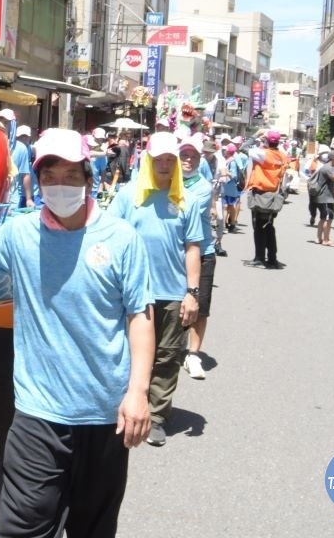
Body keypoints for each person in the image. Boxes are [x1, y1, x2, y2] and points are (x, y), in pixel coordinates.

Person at [0, 128, 153, 538]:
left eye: (72, 175)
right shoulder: (19, 234)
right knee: (20, 528)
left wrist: (138, 392)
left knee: (93, 528)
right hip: (39, 414)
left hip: (106, 415)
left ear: (90, 179)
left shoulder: (121, 238)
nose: (60, 185)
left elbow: (140, 316)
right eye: (50, 176)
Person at [109, 132, 202, 446]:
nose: (164, 165)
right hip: (132, 292)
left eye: (170, 160)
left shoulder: (184, 199)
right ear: (148, 161)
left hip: (172, 292)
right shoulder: (128, 195)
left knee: (167, 356)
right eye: (158, 159)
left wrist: (192, 292)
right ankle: (122, 406)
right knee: (124, 351)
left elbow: (192, 248)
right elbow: (109, 238)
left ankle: (158, 415)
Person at [178, 137, 217, 380]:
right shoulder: (165, 182)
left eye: (193, 156)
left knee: (199, 306)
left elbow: (181, 208)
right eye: (183, 155)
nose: (188, 160)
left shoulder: (202, 188)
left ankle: (193, 354)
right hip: (173, 253)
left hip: (202, 252)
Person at [244, 130, 289, 269]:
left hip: (261, 194)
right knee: (269, 226)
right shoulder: (282, 156)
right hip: (274, 195)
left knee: (258, 227)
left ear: (267, 141)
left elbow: (243, 148)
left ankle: (259, 257)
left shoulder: (263, 154)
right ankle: (272, 258)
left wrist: (256, 135)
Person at [309, 150, 334, 247]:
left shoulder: (328, 167)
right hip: (326, 197)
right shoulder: (328, 168)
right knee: (328, 218)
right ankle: (326, 239)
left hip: (323, 196)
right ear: (333, 158)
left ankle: (319, 238)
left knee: (323, 218)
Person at [10, 124, 34, 210]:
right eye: (21, 136)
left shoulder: (30, 149)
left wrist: (29, 198)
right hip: (14, 195)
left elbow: (25, 174)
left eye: (26, 136)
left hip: (16, 195)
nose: (23, 139)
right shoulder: (22, 148)